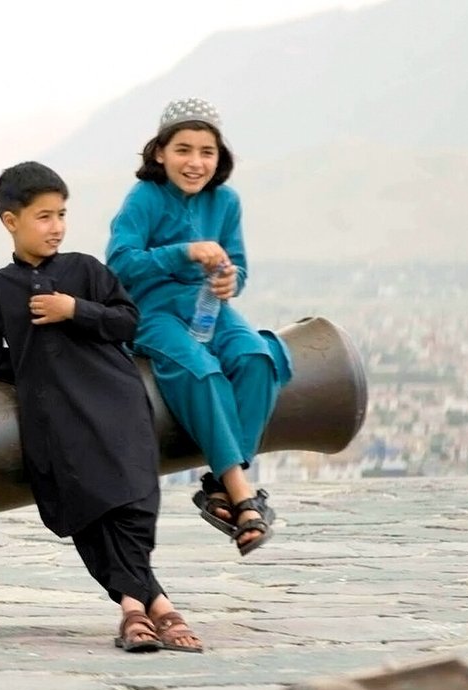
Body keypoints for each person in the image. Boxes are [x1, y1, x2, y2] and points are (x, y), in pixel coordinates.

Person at [0, 161, 203, 653]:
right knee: (90, 513)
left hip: (115, 404)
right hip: (56, 422)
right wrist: (40, 372)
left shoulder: (85, 271)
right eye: (43, 216)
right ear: (10, 221)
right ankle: (147, 608)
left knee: (133, 504)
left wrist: (72, 310)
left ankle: (141, 610)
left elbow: (128, 322)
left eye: (61, 214)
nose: (56, 226)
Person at [105, 98, 291, 556]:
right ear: (160, 153)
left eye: (206, 151)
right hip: (153, 311)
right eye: (183, 149)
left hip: (209, 308)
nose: (195, 162)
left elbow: (239, 267)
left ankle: (217, 486)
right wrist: (184, 252)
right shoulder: (144, 199)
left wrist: (231, 279)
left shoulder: (225, 202)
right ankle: (241, 493)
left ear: (219, 157)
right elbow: (119, 264)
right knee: (199, 372)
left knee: (257, 359)